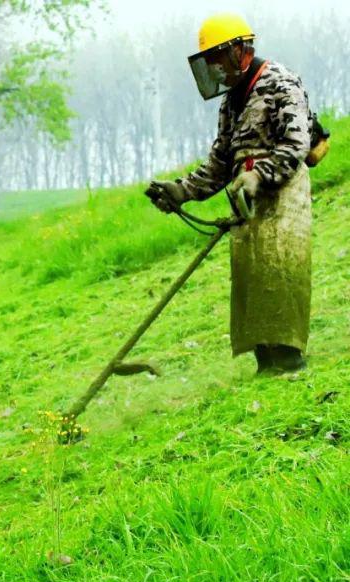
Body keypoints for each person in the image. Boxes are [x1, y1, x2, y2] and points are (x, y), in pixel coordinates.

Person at [148, 13, 317, 374]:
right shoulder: (232, 102)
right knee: (250, 276)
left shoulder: (279, 81)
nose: (217, 71)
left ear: (240, 50)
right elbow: (220, 162)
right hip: (244, 194)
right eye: (210, 65)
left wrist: (262, 176)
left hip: (283, 191)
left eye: (219, 62)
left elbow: (297, 142)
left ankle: (289, 358)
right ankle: (265, 361)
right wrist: (181, 191)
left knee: (280, 266)